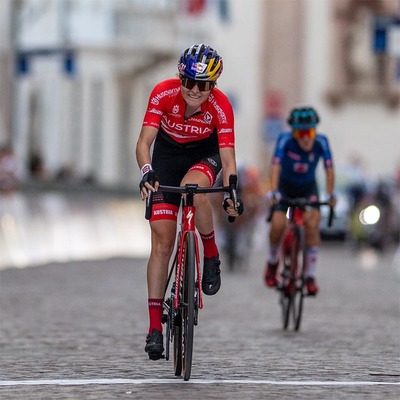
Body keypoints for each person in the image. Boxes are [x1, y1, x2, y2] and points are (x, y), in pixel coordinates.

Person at [136, 44, 243, 360]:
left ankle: (210, 254)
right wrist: (147, 171)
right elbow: (144, 142)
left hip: (203, 155)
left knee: (193, 190)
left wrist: (232, 190)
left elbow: (228, 157)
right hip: (166, 158)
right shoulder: (163, 93)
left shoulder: (221, 106)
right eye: (189, 82)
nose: (195, 91)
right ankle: (155, 327)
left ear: (214, 85)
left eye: (204, 85)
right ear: (180, 78)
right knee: (162, 244)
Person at [264, 106, 336, 296]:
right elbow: (275, 166)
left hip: (307, 187)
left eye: (310, 132)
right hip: (284, 187)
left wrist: (329, 195)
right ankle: (272, 263)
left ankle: (310, 276)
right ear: (294, 132)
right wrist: (272, 191)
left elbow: (329, 169)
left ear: (315, 131)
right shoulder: (285, 140)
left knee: (312, 223)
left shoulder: (322, 142)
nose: (305, 137)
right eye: (301, 132)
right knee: (278, 224)